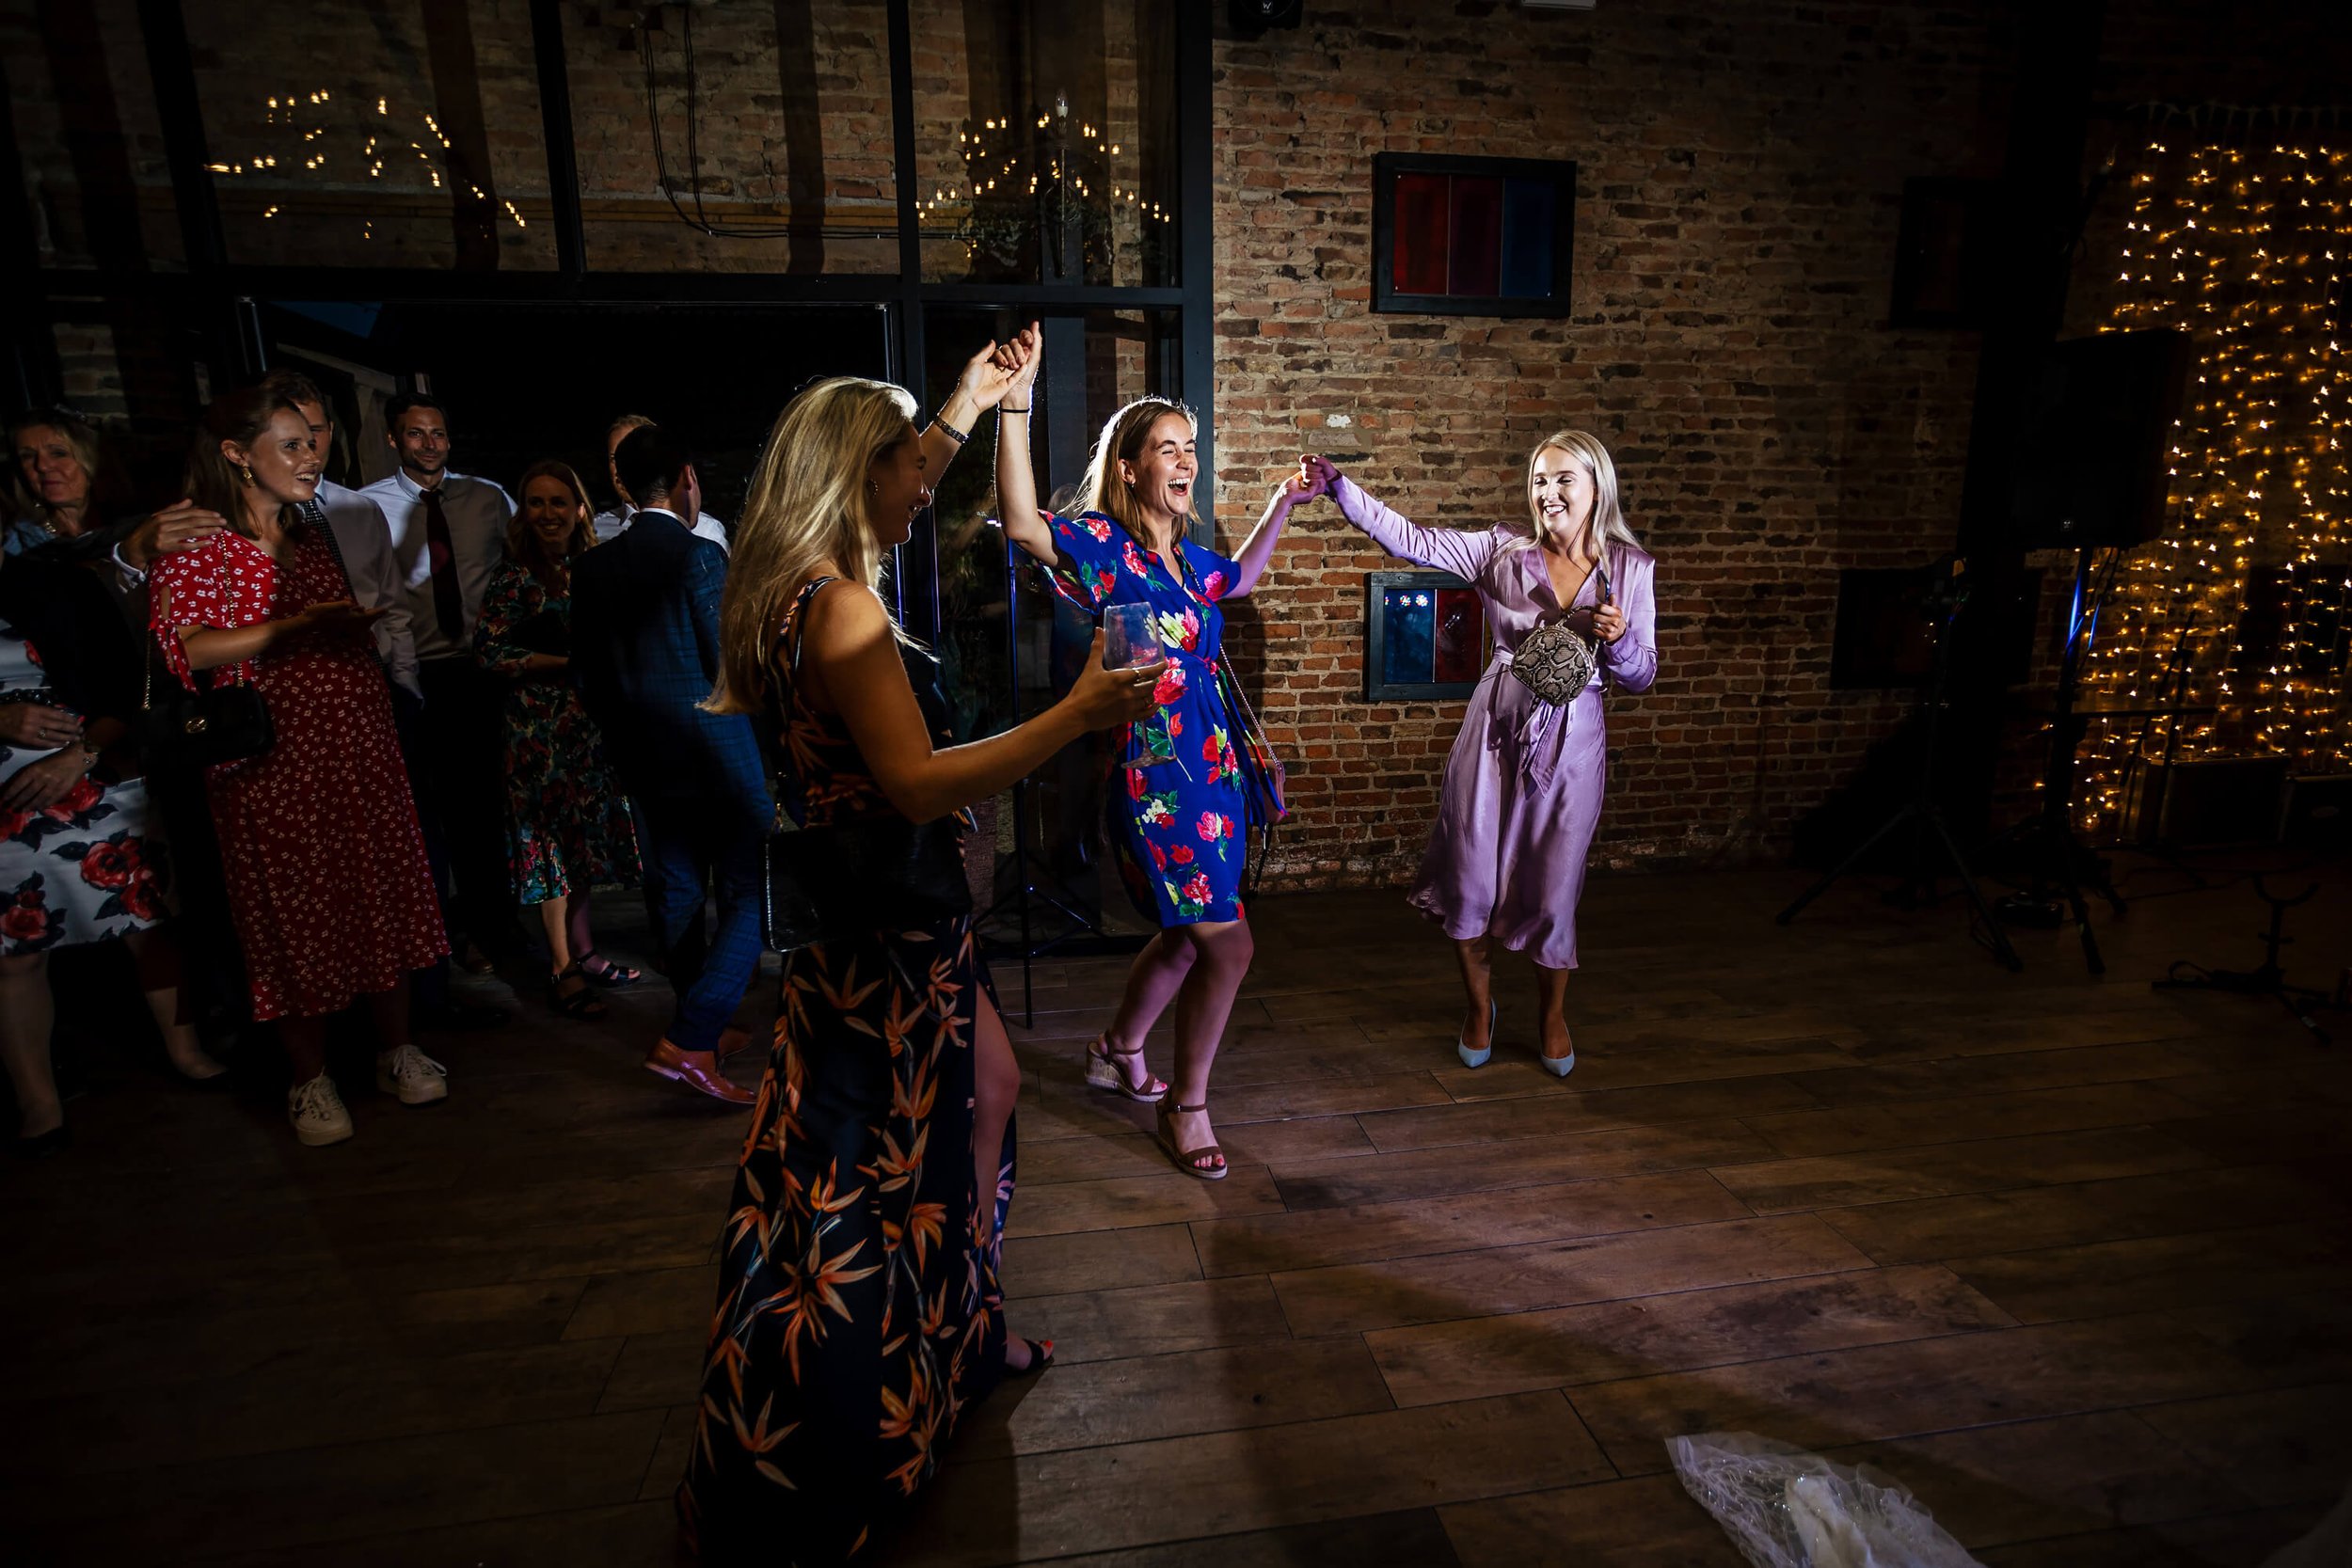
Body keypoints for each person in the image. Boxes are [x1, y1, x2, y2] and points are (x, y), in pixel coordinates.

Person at [675, 367, 1152, 1564]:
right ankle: (849, 1428)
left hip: (872, 912)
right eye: (906, 473)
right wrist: (1077, 712)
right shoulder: (837, 607)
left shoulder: (778, 587)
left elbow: (907, 468)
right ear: (858, 474)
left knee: (988, 1092)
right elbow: (919, 782)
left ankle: (969, 1330)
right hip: (889, 926)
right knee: (868, 1182)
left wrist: (977, 401)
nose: (921, 497)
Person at [991, 326, 1300, 1180]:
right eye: (1166, 448)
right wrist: (1015, 405)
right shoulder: (1106, 548)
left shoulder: (1185, 559)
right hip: (1157, 772)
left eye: (1190, 447)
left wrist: (1281, 504)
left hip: (1217, 767)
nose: (1184, 460)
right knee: (1227, 946)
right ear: (1128, 467)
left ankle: (1117, 1048)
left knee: (1181, 931)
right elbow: (1021, 523)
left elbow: (1238, 580)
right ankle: (1187, 1105)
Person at [151, 388, 451, 1147]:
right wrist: (291, 630)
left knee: (377, 887)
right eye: (289, 445)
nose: (309, 457)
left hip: (356, 738)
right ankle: (309, 1080)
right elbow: (188, 649)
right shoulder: (199, 544)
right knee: (292, 907)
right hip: (269, 756)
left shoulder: (312, 530)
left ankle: (395, 1050)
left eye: (310, 444)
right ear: (235, 454)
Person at [1308, 434, 1658, 1073]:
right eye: (1539, 481)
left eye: (1562, 481)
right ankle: (1478, 1006)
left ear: (1596, 486)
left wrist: (1624, 639)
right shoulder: (1501, 550)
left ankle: (1552, 1016)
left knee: (1554, 889)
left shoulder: (1630, 569)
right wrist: (1340, 489)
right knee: (1470, 877)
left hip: (1573, 743)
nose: (1547, 494)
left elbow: (1639, 676)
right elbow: (1410, 538)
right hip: (1495, 732)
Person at [1, 547, 224, 1156]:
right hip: (5, 797)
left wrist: (80, 756)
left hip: (94, 771)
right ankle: (39, 1106)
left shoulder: (54, 580)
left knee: (147, 920)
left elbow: (127, 680)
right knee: (14, 953)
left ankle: (188, 1053)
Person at [568, 426, 764, 1104]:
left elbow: (586, 678)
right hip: (717, 746)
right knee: (755, 885)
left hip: (640, 750)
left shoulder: (591, 567)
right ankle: (691, 1034)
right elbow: (728, 667)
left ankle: (700, 1029)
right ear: (687, 479)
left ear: (623, 485)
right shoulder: (700, 555)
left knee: (676, 887)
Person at [473, 460, 641, 1022]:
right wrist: (565, 662)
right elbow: (490, 653)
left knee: (581, 843)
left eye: (558, 502)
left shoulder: (593, 566)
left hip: (589, 724)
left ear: (578, 509)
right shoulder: (514, 575)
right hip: (537, 729)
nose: (548, 513)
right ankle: (562, 968)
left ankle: (585, 951)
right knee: (548, 848)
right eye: (537, 502)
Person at [358, 394, 516, 972]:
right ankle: (437, 940)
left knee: (485, 809)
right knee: (427, 812)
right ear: (395, 440)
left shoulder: (488, 498)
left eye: (439, 433)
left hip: (482, 668)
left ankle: (494, 931)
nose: (430, 444)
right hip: (417, 672)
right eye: (417, 434)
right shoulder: (367, 507)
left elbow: (519, 565)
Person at [590, 414, 730, 550]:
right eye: (614, 459)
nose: (622, 469)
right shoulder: (595, 529)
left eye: (635, 457)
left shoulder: (707, 531)